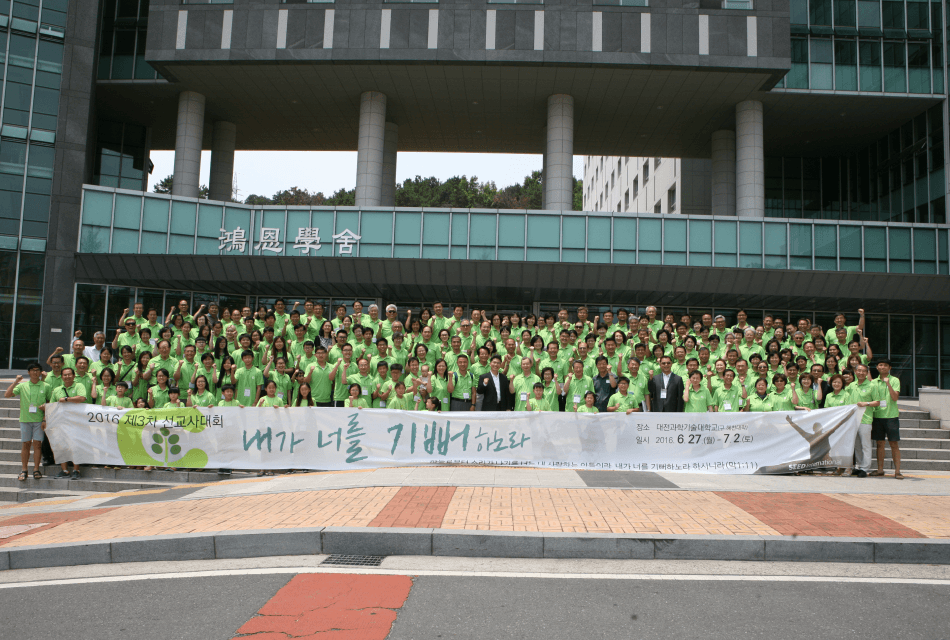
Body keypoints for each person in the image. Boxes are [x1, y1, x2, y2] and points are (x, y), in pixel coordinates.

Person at [5, 364, 48, 481]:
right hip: (25, 419)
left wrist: (44, 418)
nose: (35, 372)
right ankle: (24, 470)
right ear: (28, 372)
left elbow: (49, 403)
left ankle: (36, 469)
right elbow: (7, 394)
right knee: (26, 444)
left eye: (37, 370)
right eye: (32, 370)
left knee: (38, 445)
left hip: (39, 420)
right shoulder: (22, 386)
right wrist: (16, 381)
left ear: (40, 372)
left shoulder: (46, 386)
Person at [870, 359, 903, 479]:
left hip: (891, 416)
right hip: (877, 416)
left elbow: (895, 398)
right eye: (880, 365)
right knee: (879, 443)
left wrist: (888, 384)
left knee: (894, 443)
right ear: (877, 367)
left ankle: (897, 471)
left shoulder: (894, 380)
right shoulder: (873, 382)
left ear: (890, 368)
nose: (882, 367)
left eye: (885, 365)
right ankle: (880, 469)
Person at [848, 363, 881, 478]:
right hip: (853, 419)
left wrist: (866, 403)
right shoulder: (851, 385)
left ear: (867, 373)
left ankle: (865, 468)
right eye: (859, 371)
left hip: (865, 419)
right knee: (856, 444)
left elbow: (878, 402)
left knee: (865, 445)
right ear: (855, 372)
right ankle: (858, 466)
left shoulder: (872, 385)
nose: (861, 373)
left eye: (863, 371)